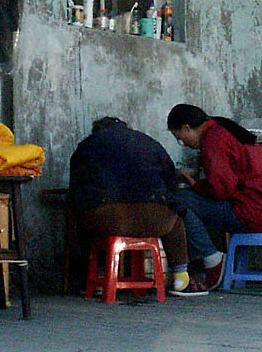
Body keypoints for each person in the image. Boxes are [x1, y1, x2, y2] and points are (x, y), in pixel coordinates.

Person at [68, 116, 208, 296]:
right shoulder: (148, 142)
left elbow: (76, 192)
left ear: (97, 131)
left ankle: (97, 278)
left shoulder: (87, 146)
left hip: (107, 220)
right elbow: (171, 185)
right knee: (176, 220)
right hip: (154, 219)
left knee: (84, 223)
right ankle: (181, 279)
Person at [167, 104, 262, 290]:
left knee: (179, 201)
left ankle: (212, 259)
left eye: (180, 138)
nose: (184, 144)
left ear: (187, 127)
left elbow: (221, 190)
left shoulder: (214, 140)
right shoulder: (222, 130)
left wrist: (195, 185)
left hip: (248, 213)